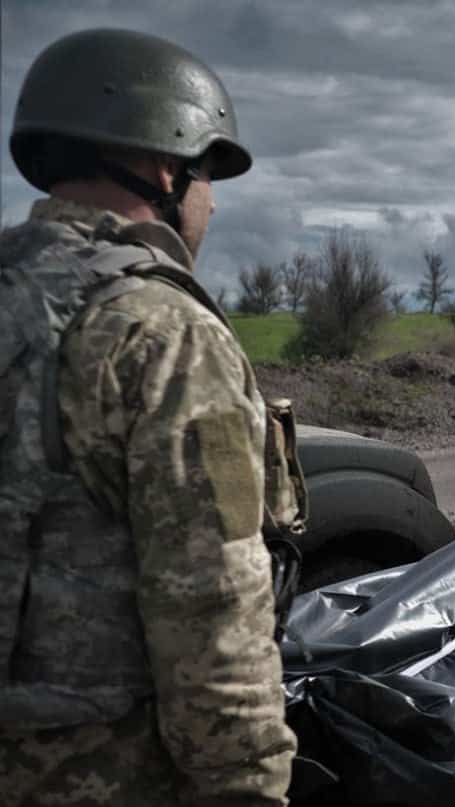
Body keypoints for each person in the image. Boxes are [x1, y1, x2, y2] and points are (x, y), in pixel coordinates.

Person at [0, 29, 297, 805]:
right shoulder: (160, 334)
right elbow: (215, 635)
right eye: (206, 174)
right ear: (165, 168)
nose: (211, 200)